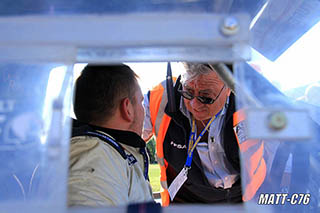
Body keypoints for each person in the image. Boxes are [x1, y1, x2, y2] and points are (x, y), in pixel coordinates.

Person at [143, 63, 267, 205]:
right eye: (188, 92)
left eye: (206, 97)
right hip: (185, 202)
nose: (195, 105)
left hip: (241, 200)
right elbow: (126, 136)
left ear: (228, 89)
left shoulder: (252, 100)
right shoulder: (161, 97)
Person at [68, 64, 153, 207]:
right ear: (127, 108)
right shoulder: (94, 158)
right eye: (140, 101)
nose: (143, 109)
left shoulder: (111, 155)